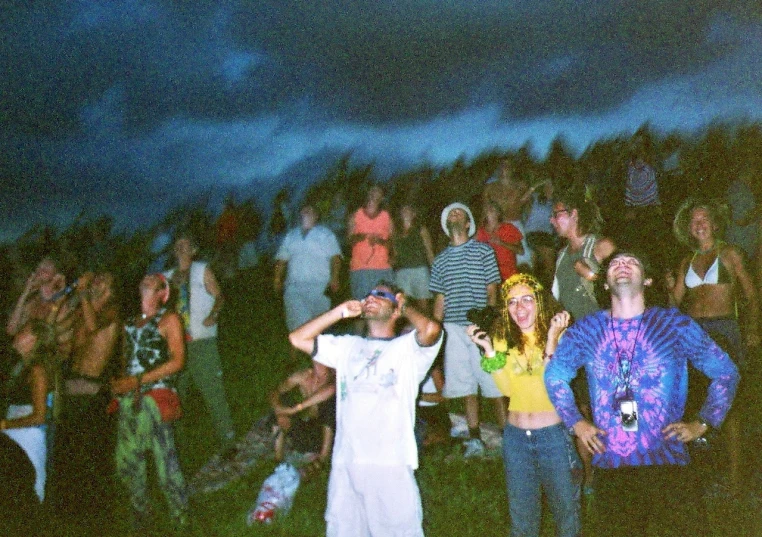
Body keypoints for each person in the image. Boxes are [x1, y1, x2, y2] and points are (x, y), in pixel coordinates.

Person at [545, 250, 740, 537]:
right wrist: (576, 422)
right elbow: (554, 376)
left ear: (647, 280)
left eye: (632, 262)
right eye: (614, 264)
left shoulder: (675, 325)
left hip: (667, 459)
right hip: (612, 462)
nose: (622, 265)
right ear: (605, 283)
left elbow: (725, 372)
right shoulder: (586, 330)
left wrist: (703, 422)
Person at [289, 281, 443, 537]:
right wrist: (338, 312)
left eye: (381, 295)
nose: (371, 297)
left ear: (396, 310)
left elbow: (430, 328)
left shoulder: (408, 350)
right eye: (369, 294)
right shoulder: (348, 346)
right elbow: (297, 338)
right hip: (346, 461)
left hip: (389, 464)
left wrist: (405, 305)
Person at [467, 273, 580, 537]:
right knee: (522, 517)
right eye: (512, 302)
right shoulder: (504, 341)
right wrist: (489, 350)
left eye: (527, 299)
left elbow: (555, 384)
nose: (519, 308)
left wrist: (552, 337)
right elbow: (507, 390)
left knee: (566, 513)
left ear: (540, 302)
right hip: (516, 438)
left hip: (553, 437)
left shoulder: (562, 336)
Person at [666, 198, 758, 495]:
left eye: (704, 218)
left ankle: (735, 481)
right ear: (689, 229)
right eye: (694, 221)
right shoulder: (686, 262)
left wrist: (753, 330)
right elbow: (674, 305)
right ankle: (699, 476)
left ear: (715, 224)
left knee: (728, 408)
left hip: (724, 331)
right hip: (694, 334)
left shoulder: (730, 254)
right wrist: (669, 289)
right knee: (695, 404)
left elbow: (752, 296)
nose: (700, 224)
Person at [112, 273, 188, 531]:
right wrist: (124, 387)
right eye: (142, 279)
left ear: (162, 293)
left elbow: (178, 362)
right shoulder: (130, 323)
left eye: (153, 281)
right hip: (130, 396)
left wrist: (137, 382)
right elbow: (126, 361)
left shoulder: (169, 319)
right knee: (127, 460)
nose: (145, 280)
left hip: (156, 395)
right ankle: (142, 512)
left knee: (163, 459)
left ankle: (180, 515)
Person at [430, 202, 504, 458]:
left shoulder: (484, 251)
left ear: (468, 224)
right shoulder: (440, 260)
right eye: (449, 212)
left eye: (459, 212)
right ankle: (475, 440)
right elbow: (440, 299)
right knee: (465, 386)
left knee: (493, 384)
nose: (454, 213)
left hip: (480, 325)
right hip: (452, 327)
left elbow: (492, 288)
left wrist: (489, 319)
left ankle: (508, 438)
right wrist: (434, 333)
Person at [48, 271, 120, 529]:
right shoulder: (81, 311)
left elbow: (93, 328)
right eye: (95, 279)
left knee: (92, 460)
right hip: (71, 396)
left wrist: (82, 294)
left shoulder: (112, 311)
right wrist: (59, 302)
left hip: (92, 398)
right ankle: (70, 517)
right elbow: (60, 337)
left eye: (103, 279)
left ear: (112, 288)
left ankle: (98, 519)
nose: (97, 282)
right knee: (69, 459)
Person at [165, 234, 236, 452]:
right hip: (175, 346)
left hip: (201, 342)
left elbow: (219, 296)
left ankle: (228, 440)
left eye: (185, 244)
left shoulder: (201, 269)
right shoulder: (166, 277)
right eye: (178, 244)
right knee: (174, 394)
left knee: (213, 390)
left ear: (194, 250)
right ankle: (178, 447)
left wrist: (213, 314)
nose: (180, 247)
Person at [1, 320, 55, 502]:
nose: (17, 334)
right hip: (15, 433)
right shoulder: (21, 367)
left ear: (35, 340)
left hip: (27, 437)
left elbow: (39, 416)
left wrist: (5, 424)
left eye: (23, 330)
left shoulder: (38, 370)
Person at [274, 203, 342, 334]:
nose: (307, 213)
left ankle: (315, 354)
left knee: (318, 327)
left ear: (316, 216)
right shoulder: (291, 236)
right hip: (294, 287)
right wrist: (277, 279)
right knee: (297, 325)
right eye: (304, 210)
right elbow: (282, 259)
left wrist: (334, 278)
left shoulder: (326, 235)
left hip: (320, 287)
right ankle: (294, 354)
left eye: (311, 211)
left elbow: (335, 258)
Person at [269, 362, 336, 470]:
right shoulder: (304, 376)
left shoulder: (334, 380)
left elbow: (326, 393)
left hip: (323, 435)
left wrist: (293, 410)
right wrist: (279, 410)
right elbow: (275, 392)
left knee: (329, 407)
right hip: (304, 432)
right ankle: (278, 459)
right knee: (283, 403)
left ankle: (323, 458)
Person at [347, 184, 394, 300]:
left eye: (378, 192)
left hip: (382, 267)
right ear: (367, 194)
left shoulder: (386, 216)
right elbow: (349, 240)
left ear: (382, 197)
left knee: (384, 301)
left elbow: (392, 242)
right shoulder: (355, 215)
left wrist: (380, 241)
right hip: (360, 268)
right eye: (372, 190)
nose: (374, 193)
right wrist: (360, 237)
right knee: (362, 303)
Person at [392, 204, 435, 313]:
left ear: (414, 213)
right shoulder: (396, 232)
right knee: (404, 305)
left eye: (408, 210)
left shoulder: (421, 229)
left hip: (420, 270)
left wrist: (435, 271)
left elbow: (429, 251)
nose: (405, 212)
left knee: (423, 305)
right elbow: (394, 253)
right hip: (402, 271)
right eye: (403, 210)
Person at [475, 201, 524, 282]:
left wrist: (501, 243)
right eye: (487, 209)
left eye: (492, 209)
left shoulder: (509, 228)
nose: (489, 210)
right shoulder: (480, 231)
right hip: (489, 276)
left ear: (498, 213)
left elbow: (521, 251)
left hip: (508, 275)